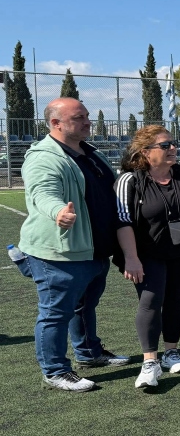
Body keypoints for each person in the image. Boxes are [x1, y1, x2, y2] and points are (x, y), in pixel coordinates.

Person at [19, 98, 129, 392]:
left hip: (93, 249)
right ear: (55, 123)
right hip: (60, 253)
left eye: (87, 116)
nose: (88, 122)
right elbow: (42, 192)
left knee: (84, 306)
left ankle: (89, 353)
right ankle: (55, 370)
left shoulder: (90, 153)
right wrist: (58, 211)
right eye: (79, 118)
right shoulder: (44, 157)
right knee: (55, 313)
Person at [114, 126, 180, 388]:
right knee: (150, 301)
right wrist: (131, 258)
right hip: (146, 254)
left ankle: (171, 352)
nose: (173, 148)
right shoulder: (130, 180)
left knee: (174, 299)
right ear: (145, 152)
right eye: (165, 145)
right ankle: (150, 362)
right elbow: (122, 221)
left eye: (173, 143)